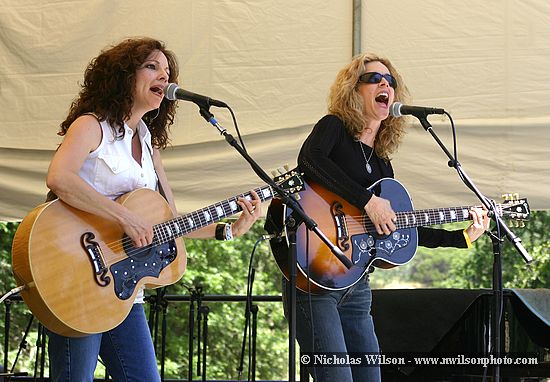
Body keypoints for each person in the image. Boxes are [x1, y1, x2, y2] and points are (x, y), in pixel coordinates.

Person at [44, 37, 262, 382]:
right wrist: (125, 217)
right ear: (122, 75)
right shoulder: (91, 125)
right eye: (152, 67)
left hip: (125, 290)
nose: (166, 76)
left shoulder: (149, 146)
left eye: (168, 70)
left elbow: (170, 222)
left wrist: (229, 228)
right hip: (76, 275)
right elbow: (59, 178)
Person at [285, 53, 490, 381]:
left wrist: (461, 237)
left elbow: (401, 227)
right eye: (374, 79)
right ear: (354, 90)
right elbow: (310, 160)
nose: (385, 84)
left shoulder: (382, 165)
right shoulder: (333, 128)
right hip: (315, 277)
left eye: (390, 82)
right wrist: (367, 201)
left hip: (357, 283)